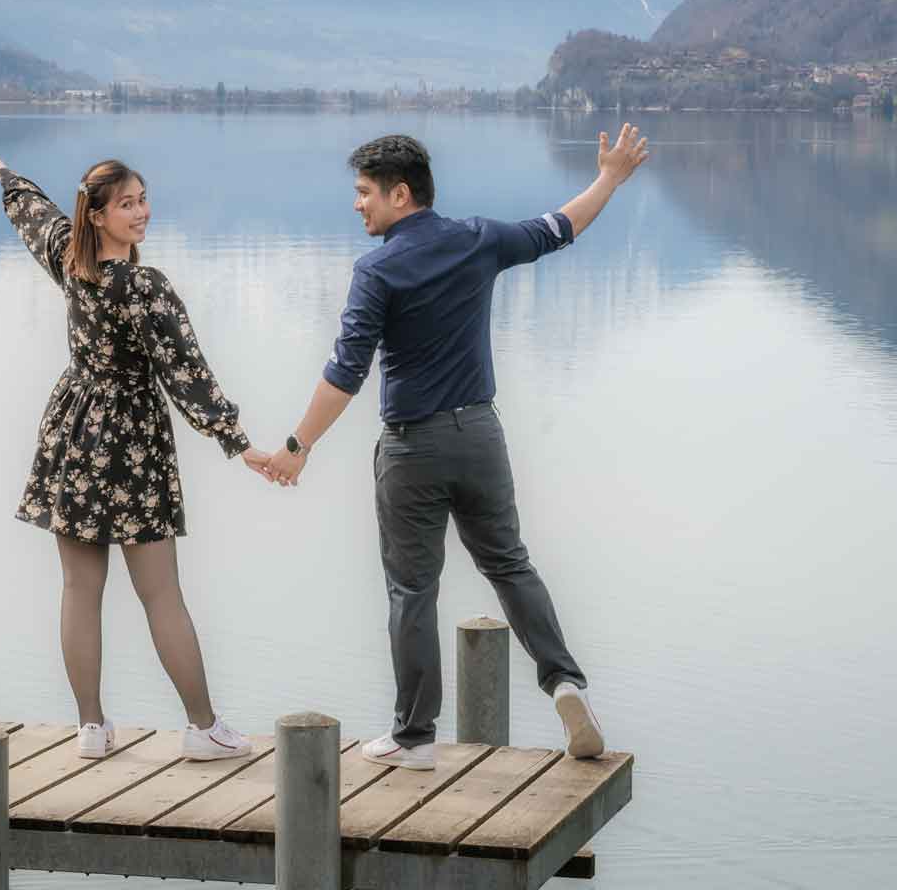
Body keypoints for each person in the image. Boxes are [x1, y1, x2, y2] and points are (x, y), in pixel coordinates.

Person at [256, 126, 651, 769]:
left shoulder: (377, 269)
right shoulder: (478, 239)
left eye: (364, 194)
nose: (357, 205)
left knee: (413, 591)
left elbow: (345, 373)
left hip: (413, 448)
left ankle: (413, 739)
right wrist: (610, 177)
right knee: (510, 565)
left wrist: (298, 445)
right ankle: (566, 682)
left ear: (400, 195)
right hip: (481, 437)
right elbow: (559, 227)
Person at [0, 149, 271, 762]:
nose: (142, 212)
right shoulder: (144, 287)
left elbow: (35, 217)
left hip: (74, 430)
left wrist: (3, 174)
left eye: (143, 199)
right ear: (97, 215)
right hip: (131, 445)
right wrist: (239, 443)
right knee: (161, 594)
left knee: (80, 587)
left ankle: (91, 729)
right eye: (128, 204)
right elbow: (188, 375)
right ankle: (203, 729)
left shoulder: (71, 264)